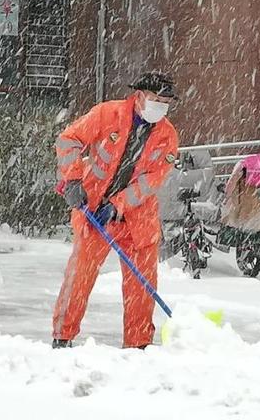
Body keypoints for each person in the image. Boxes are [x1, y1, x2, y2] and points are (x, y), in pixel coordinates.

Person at [52, 72, 179, 349]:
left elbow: (152, 180)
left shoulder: (167, 135)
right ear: (141, 95)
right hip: (93, 211)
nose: (161, 106)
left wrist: (117, 205)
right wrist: (73, 179)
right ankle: (62, 337)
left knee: (141, 286)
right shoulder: (107, 114)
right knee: (79, 278)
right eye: (156, 99)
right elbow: (68, 139)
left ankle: (138, 345)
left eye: (166, 102)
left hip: (138, 219)